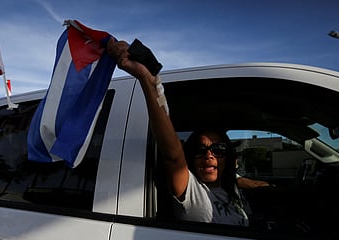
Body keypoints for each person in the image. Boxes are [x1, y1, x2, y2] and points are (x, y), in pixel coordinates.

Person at [107, 38, 250, 226]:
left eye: (218, 149)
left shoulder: (231, 187)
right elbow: (173, 155)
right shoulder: (190, 191)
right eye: (200, 150)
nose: (209, 155)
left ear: (228, 157)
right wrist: (147, 80)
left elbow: (241, 180)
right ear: (190, 156)